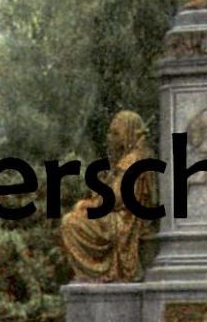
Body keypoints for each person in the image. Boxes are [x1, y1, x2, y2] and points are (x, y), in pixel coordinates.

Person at [60, 110, 157, 283]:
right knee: (73, 218)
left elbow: (117, 198)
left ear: (127, 134)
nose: (109, 137)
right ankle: (94, 273)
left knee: (71, 223)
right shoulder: (128, 159)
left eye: (115, 133)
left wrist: (92, 203)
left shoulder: (133, 161)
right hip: (117, 216)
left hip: (124, 220)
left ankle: (98, 272)